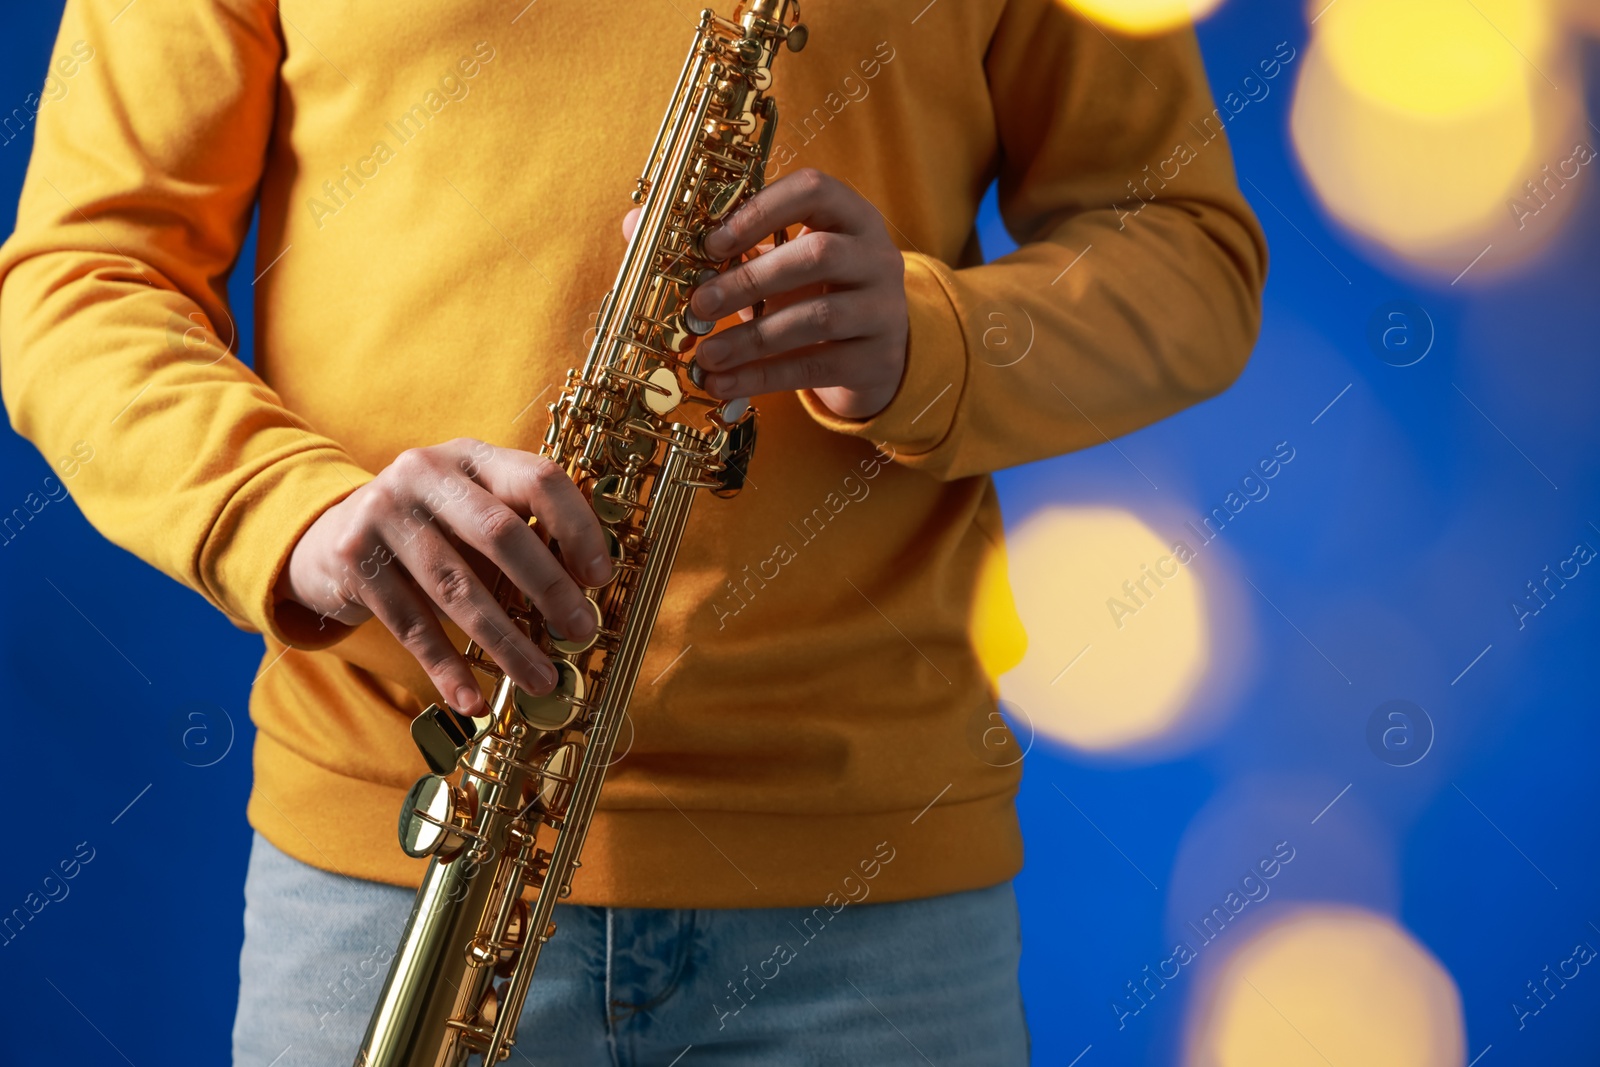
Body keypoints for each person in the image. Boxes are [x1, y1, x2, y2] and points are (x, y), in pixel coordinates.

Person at [0, 0, 1266, 1063]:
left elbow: (1186, 247)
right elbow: (85, 274)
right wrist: (297, 514)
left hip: (870, 908)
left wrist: (932, 340)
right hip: (392, 857)